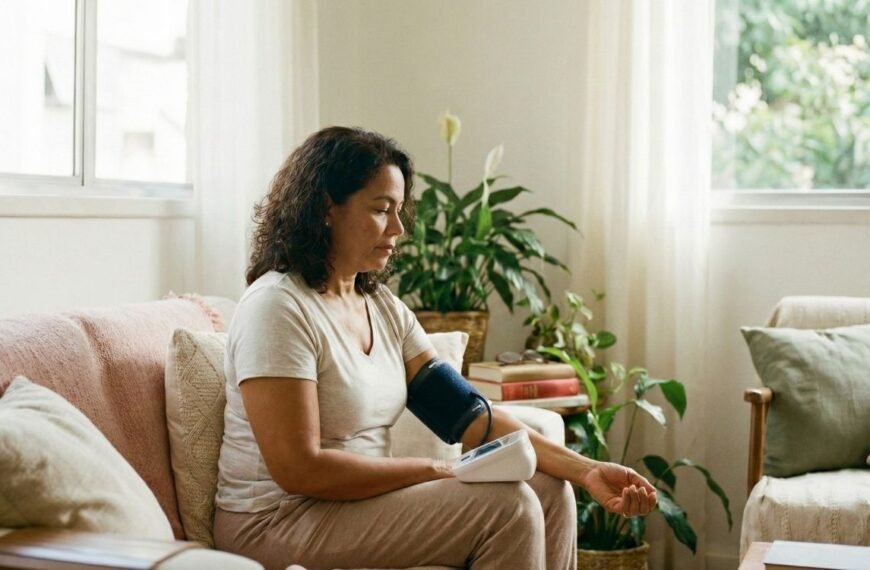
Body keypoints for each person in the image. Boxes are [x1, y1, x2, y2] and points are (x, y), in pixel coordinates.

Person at [213, 126, 657, 570]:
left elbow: (468, 415)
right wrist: (434, 469)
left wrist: (585, 471)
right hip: (275, 520)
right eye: (382, 209)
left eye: (400, 210)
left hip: (354, 507)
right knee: (509, 507)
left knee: (549, 490)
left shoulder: (382, 307)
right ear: (327, 207)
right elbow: (300, 470)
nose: (399, 228)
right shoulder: (278, 307)